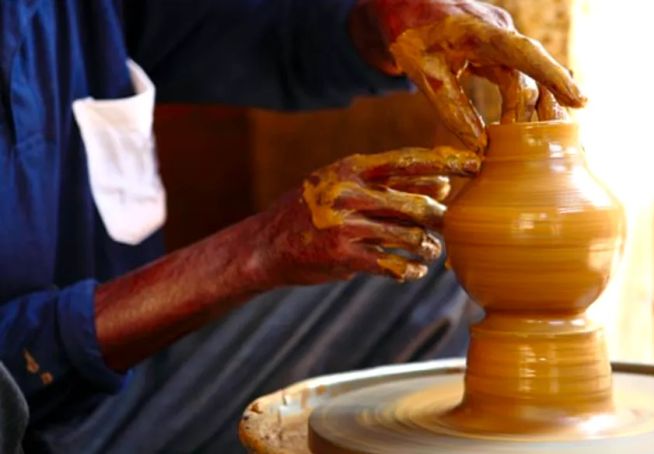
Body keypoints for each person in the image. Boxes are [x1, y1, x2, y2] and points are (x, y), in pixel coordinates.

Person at [0, 0, 585, 452]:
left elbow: (270, 38)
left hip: (119, 384)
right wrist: (255, 253)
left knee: (427, 265)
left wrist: (383, 23)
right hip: (30, 423)